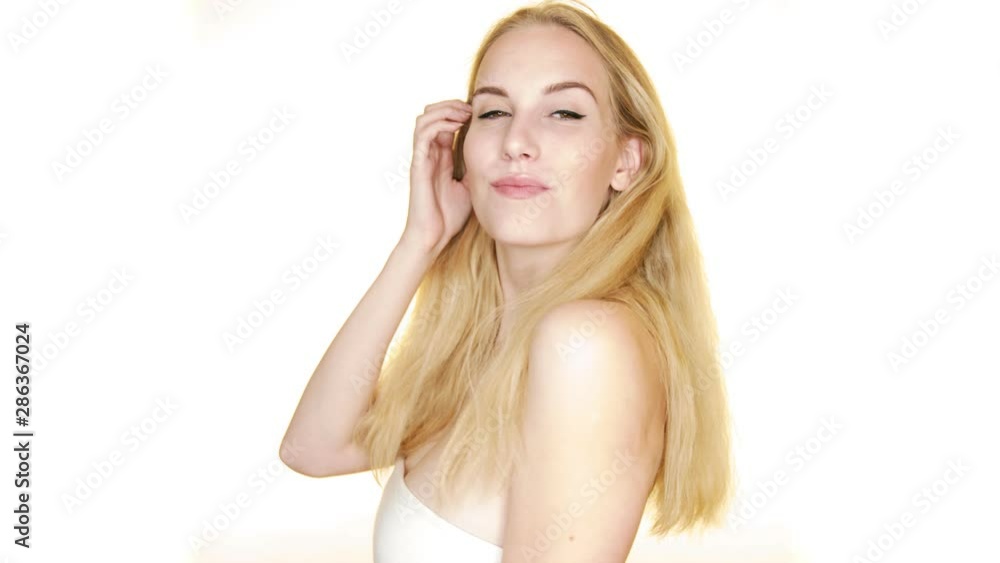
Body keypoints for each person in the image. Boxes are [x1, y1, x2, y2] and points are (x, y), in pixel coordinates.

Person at [279, 1, 735, 561]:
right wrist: (420, 241)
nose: (517, 141)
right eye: (493, 112)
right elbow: (312, 448)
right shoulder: (483, 347)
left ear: (626, 161)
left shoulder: (586, 344)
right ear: (463, 151)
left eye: (563, 113)